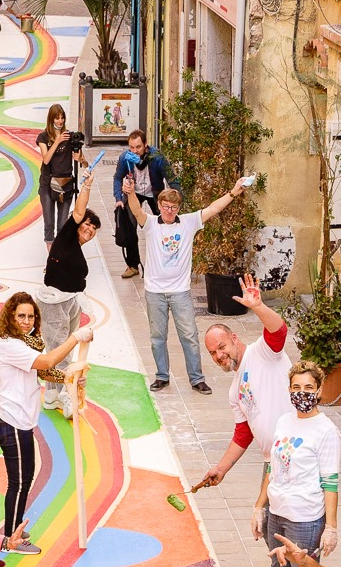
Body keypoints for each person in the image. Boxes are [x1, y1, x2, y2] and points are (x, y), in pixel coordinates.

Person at [197, 274, 294, 567]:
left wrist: (259, 307)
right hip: (273, 463)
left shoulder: (262, 353)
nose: (219, 355)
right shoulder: (233, 389)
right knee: (269, 524)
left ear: (234, 340)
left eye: (222, 347)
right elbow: (243, 433)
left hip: (296, 458)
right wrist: (220, 469)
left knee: (285, 526)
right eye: (213, 353)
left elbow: (278, 332)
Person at [122, 175, 249, 394]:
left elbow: (213, 209)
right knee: (157, 337)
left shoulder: (189, 222)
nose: (169, 211)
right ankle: (162, 376)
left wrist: (234, 192)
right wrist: (131, 192)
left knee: (189, 336)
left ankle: (197, 378)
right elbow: (136, 211)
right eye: (165, 206)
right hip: (155, 292)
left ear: (178, 208)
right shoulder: (151, 223)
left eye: (173, 207)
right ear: (159, 206)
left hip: (180, 291)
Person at [251, 362, 341, 567]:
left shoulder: (326, 431)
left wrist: (331, 527)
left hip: (306, 518)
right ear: (289, 390)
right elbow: (270, 467)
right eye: (296, 388)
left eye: (308, 388)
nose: (302, 394)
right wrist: (259, 507)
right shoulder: (284, 422)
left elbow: (330, 481)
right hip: (277, 513)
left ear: (319, 390)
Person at [0, 293, 96, 555]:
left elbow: (44, 370)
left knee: (25, 478)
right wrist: (75, 338)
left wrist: (70, 379)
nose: (26, 321)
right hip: (10, 421)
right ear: (11, 318)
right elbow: (47, 362)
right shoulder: (10, 345)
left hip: (19, 421)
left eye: (30, 316)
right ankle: (11, 538)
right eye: (21, 316)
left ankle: (14, 525)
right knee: (18, 481)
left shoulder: (25, 345)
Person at [36, 164, 101, 414]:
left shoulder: (76, 250)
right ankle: (64, 395)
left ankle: (52, 394)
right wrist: (87, 185)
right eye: (87, 224)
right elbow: (79, 209)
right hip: (53, 302)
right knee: (59, 352)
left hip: (70, 301)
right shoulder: (66, 235)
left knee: (64, 347)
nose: (89, 229)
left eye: (94, 228)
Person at [111, 130, 175, 278]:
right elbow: (117, 178)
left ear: (145, 145)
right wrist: (119, 198)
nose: (134, 151)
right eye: (131, 147)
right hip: (134, 193)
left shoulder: (157, 157)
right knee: (129, 228)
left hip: (155, 193)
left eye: (138, 147)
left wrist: (175, 198)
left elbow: (171, 178)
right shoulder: (124, 158)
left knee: (163, 227)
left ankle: (165, 264)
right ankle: (133, 265)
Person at [36, 105, 86, 244]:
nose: (60, 121)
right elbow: (46, 160)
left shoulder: (70, 136)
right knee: (49, 224)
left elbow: (85, 162)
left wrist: (80, 158)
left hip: (65, 184)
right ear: (51, 119)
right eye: (57, 118)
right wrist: (57, 141)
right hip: (47, 184)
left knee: (62, 225)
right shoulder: (43, 137)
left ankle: (60, 256)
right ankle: (51, 259)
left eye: (62, 117)